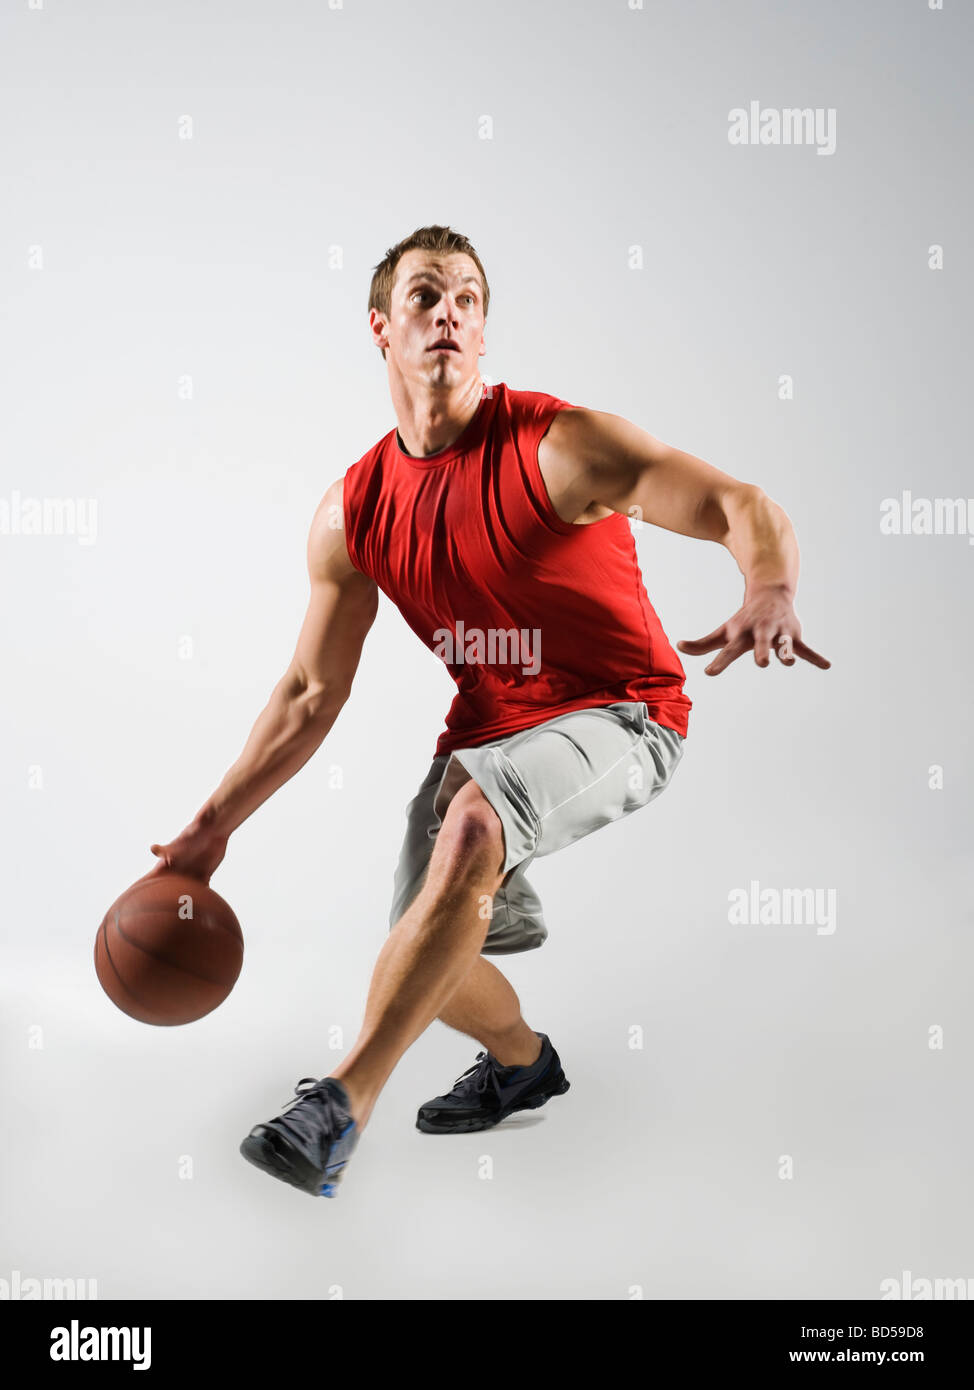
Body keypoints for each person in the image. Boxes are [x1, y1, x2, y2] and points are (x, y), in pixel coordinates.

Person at [148, 224, 830, 1199]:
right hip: (491, 731)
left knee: (468, 829)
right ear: (380, 328)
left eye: (467, 299)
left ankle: (340, 1106)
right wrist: (210, 829)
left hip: (624, 711)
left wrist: (768, 584)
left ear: (482, 334)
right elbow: (309, 692)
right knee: (420, 954)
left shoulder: (560, 446)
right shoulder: (353, 512)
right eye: (426, 295)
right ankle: (523, 1063)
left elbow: (735, 501)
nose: (448, 314)